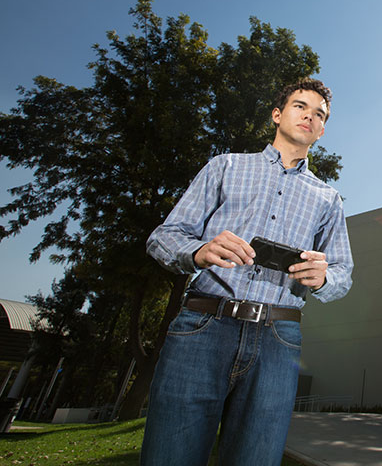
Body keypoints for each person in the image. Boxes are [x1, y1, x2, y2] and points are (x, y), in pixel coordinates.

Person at [140, 78, 353, 466]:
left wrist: (323, 277)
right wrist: (200, 250)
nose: (309, 115)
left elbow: (343, 273)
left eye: (319, 114)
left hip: (278, 339)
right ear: (278, 114)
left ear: (321, 131)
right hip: (203, 325)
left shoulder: (329, 199)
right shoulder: (224, 166)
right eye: (300, 106)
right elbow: (164, 237)